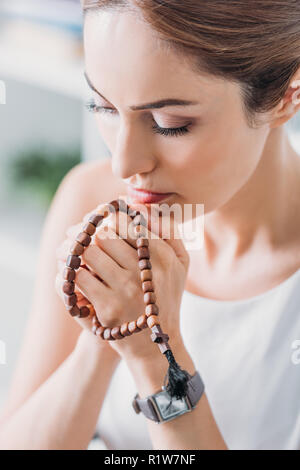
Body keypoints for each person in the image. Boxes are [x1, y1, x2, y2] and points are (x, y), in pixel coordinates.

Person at [1, 0, 300, 450]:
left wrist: (154, 356)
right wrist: (103, 338)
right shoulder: (90, 195)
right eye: (101, 106)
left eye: (169, 124)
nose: (124, 163)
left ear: (287, 96)